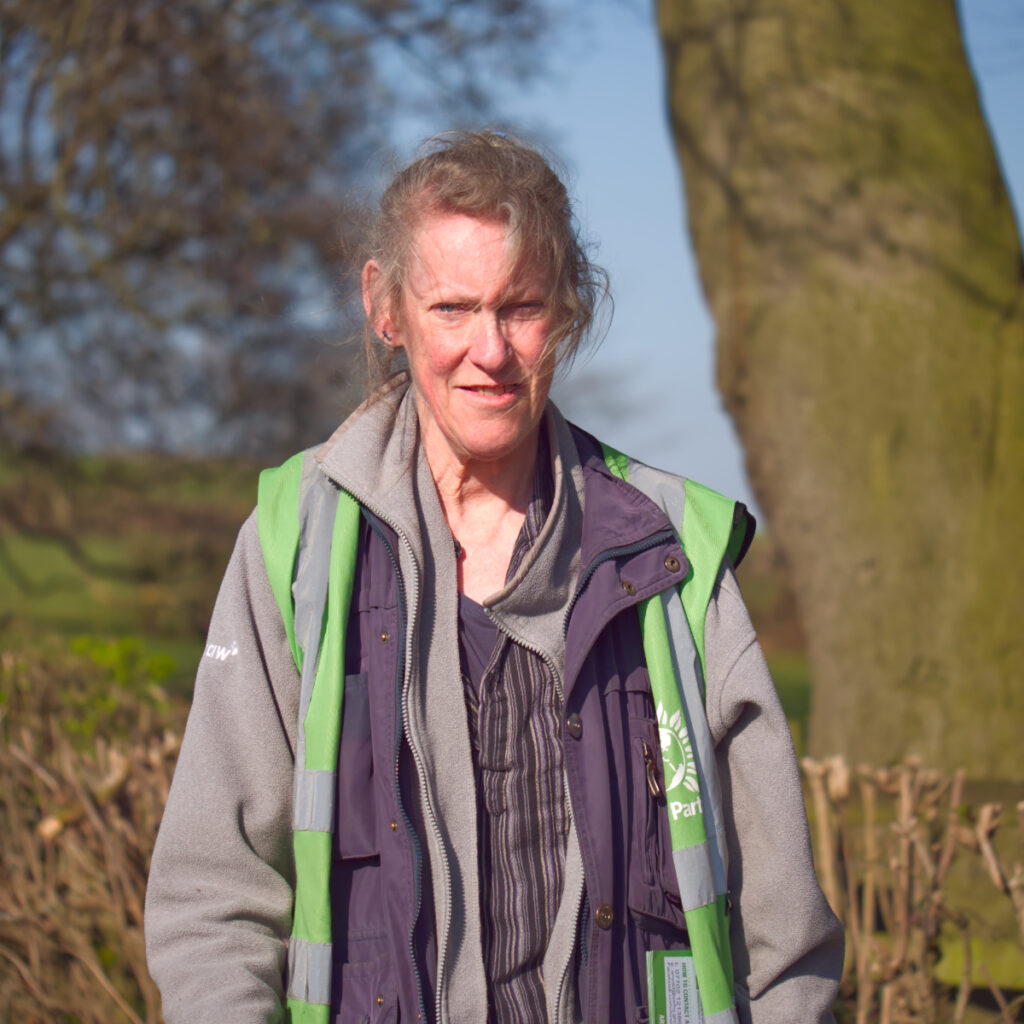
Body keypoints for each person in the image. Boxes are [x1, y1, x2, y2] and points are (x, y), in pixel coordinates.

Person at [145, 130, 843, 1024]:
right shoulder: (293, 549)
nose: (489, 350)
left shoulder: (675, 558)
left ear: (569, 310)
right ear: (385, 308)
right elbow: (213, 901)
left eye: (520, 308)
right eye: (452, 309)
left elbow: (787, 943)